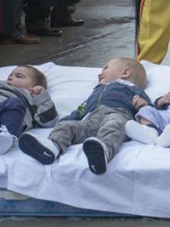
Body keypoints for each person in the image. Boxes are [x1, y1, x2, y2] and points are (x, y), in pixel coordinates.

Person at [18, 57, 150, 175]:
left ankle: (103, 152)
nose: (100, 73)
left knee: (113, 126)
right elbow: (82, 108)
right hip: (90, 120)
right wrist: (66, 121)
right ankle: (52, 148)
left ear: (125, 73)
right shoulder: (97, 91)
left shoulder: (132, 89)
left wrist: (143, 104)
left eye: (106, 68)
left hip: (118, 114)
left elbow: (149, 110)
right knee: (67, 126)